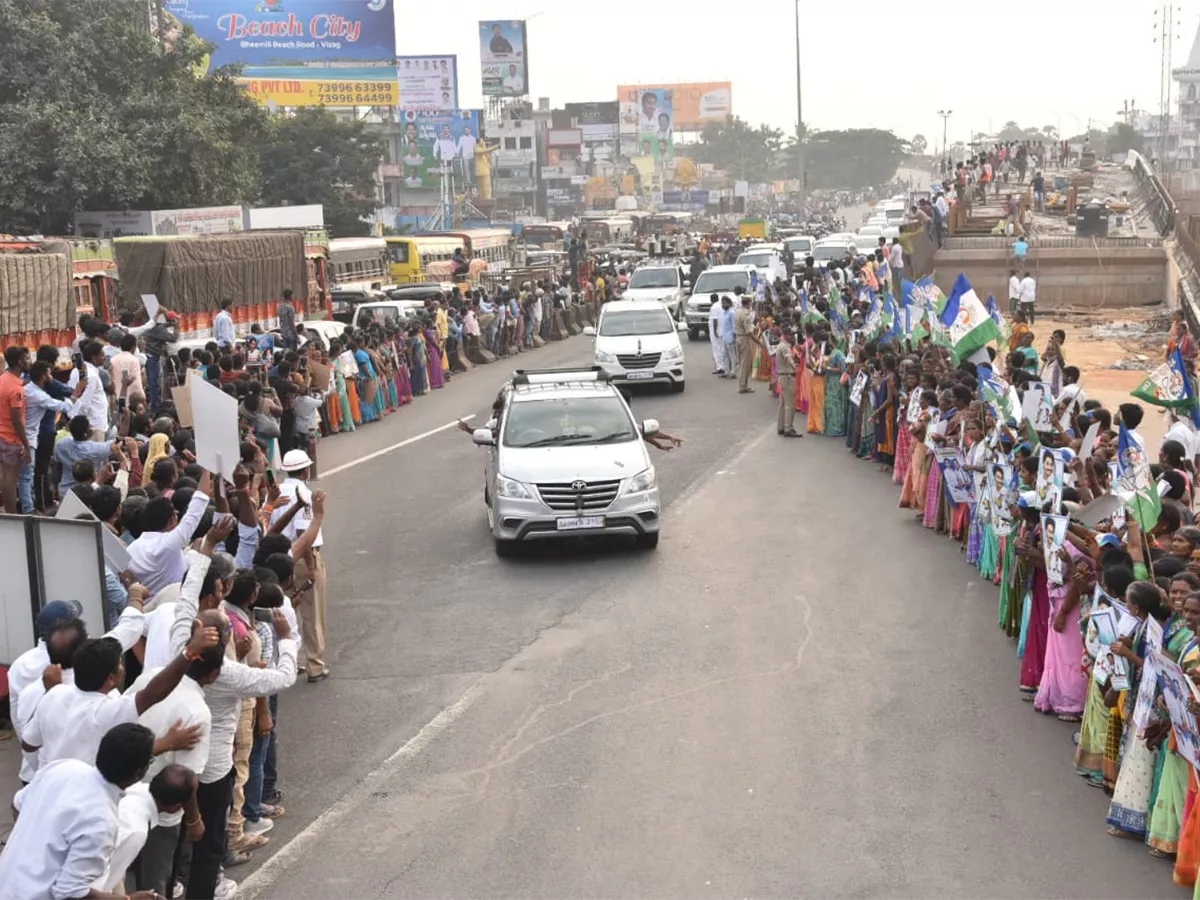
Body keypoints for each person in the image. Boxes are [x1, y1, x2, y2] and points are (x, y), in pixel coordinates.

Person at [0, 723, 164, 900]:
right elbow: (70, 893)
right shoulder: (101, 821)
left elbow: (17, 805)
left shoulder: (63, 768)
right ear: (140, 773)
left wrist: (33, 845)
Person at [271, 449, 329, 682]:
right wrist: (311, 566)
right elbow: (304, 535)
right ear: (305, 470)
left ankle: (286, 661)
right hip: (302, 557)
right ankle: (315, 664)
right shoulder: (304, 494)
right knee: (311, 613)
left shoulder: (276, 492)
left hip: (278, 559)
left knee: (284, 611)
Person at [0, 344, 29, 513]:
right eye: (26, 358)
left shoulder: (3, 379)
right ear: (20, 361)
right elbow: (17, 420)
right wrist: (26, 444)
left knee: (4, 476)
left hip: (2, 434)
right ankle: (12, 515)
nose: (29, 361)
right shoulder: (16, 388)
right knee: (10, 478)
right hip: (11, 438)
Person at [774, 328, 801, 437]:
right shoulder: (785, 347)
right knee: (790, 404)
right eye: (790, 334)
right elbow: (788, 358)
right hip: (788, 376)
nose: (792, 337)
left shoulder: (781, 345)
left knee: (782, 403)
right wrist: (794, 366)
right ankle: (788, 427)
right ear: (785, 335)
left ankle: (781, 427)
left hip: (783, 376)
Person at [734, 294, 755, 393]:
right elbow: (749, 332)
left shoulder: (737, 312)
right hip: (745, 339)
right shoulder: (746, 315)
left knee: (742, 362)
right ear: (749, 303)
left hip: (738, 337)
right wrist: (758, 342)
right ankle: (743, 385)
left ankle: (743, 384)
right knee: (745, 363)